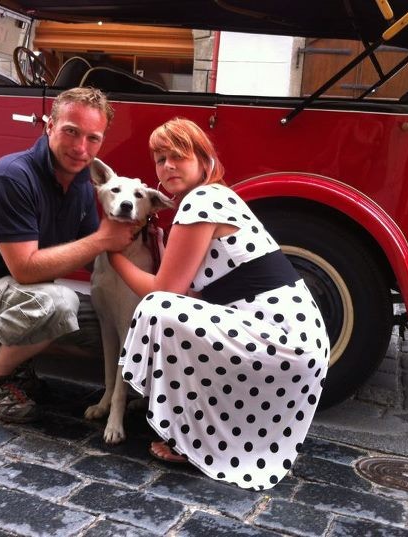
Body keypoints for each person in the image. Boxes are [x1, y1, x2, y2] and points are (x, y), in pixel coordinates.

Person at [108, 118, 330, 490]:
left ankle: (193, 438)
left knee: (158, 310)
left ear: (204, 159)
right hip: (299, 344)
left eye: (179, 155)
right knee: (176, 313)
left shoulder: (202, 201)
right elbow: (195, 292)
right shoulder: (219, 196)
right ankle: (193, 425)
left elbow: (165, 291)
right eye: (160, 159)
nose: (168, 166)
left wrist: (111, 253)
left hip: (284, 343)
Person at [0, 87, 134, 423]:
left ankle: (18, 365)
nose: (81, 147)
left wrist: (149, 271)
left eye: (93, 138)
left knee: (92, 312)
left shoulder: (81, 184)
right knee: (61, 304)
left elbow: (93, 260)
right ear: (49, 126)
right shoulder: (11, 176)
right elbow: (26, 269)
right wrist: (103, 239)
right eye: (71, 132)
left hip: (18, 294)